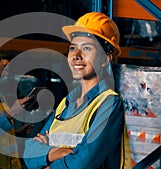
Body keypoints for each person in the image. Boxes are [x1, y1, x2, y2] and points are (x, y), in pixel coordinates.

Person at [23, 12, 131, 169]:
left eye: (87, 48)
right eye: (73, 48)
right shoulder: (65, 104)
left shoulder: (109, 104)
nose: (76, 56)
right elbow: (28, 154)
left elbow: (82, 164)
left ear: (105, 58)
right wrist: (57, 152)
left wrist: (46, 160)